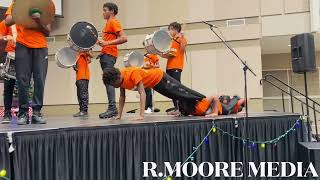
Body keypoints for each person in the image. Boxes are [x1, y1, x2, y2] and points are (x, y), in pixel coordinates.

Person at [5, 2, 53, 125]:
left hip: (41, 47)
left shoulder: (45, 5)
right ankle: (23, 113)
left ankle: (36, 112)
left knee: (40, 80)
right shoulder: (18, 3)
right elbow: (7, 21)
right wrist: (23, 13)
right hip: (23, 45)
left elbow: (47, 31)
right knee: (22, 80)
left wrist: (37, 20)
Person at [102, 66, 206, 120]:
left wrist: (141, 115)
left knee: (181, 92)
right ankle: (190, 109)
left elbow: (142, 93)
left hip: (160, 77)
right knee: (174, 95)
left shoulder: (132, 73)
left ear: (118, 77)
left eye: (113, 84)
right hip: (155, 84)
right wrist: (119, 115)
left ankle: (203, 99)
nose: (114, 86)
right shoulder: (120, 80)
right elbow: (122, 97)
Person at [97, 2, 128, 119]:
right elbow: (107, 41)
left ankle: (112, 108)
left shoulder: (113, 22)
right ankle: (112, 108)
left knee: (109, 80)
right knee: (107, 80)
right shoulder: (108, 24)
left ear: (112, 11)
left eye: (105, 10)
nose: (103, 12)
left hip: (109, 55)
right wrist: (101, 41)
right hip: (106, 54)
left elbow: (124, 38)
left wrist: (106, 43)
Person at [161, 22, 187, 114]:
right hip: (169, 67)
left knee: (177, 87)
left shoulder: (180, 38)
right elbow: (169, 55)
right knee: (171, 88)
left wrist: (183, 37)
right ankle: (176, 108)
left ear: (176, 30)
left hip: (176, 66)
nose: (170, 31)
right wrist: (161, 53)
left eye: (171, 29)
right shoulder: (172, 41)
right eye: (169, 29)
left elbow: (182, 50)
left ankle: (181, 109)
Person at [0, 19, 16, 124]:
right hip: (11, 54)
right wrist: (7, 37)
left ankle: (25, 112)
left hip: (27, 56)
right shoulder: (6, 22)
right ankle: (7, 113)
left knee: (27, 85)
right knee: (8, 86)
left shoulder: (27, 21)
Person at [73, 51, 93, 117]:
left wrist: (84, 50)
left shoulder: (83, 53)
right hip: (79, 76)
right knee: (79, 95)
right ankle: (82, 110)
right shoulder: (77, 55)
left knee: (83, 94)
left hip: (83, 76)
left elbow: (91, 56)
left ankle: (84, 111)